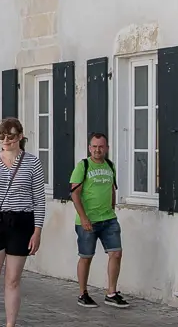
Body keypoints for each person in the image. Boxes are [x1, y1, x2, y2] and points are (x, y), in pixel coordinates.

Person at [0, 117, 46, 327]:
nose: (6, 140)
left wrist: (37, 230)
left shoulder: (32, 162)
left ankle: (10, 325)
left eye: (11, 136)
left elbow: (39, 199)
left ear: (20, 136)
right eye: (2, 136)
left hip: (22, 221)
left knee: (13, 280)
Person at [69, 132, 128, 308]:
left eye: (101, 146)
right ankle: (82, 293)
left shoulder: (110, 165)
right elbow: (75, 194)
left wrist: (112, 206)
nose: (97, 150)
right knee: (86, 257)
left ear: (107, 148)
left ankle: (111, 292)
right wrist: (84, 217)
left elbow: (112, 188)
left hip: (109, 219)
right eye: (94, 146)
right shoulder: (83, 166)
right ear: (89, 148)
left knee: (116, 253)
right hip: (88, 221)